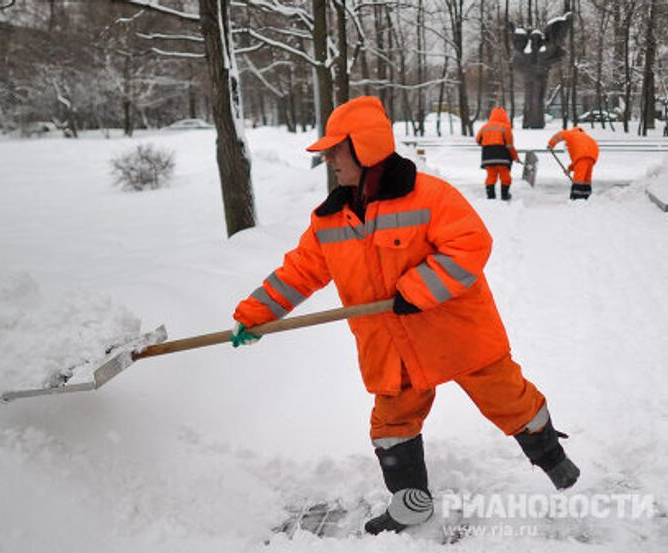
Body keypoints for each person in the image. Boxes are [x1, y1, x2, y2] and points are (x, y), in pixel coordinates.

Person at [230, 96, 580, 535]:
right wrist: (255, 314)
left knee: (508, 398)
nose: (329, 158)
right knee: (391, 423)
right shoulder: (330, 220)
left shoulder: (429, 197)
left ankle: (553, 460)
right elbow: (298, 272)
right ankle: (411, 503)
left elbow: (471, 244)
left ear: (365, 147)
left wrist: (417, 289)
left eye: (337, 149)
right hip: (392, 347)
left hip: (456, 333)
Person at [475, 107, 519, 200]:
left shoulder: (484, 127)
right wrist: (515, 157)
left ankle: (491, 196)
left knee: (491, 176)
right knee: (505, 177)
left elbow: (478, 141)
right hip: (502, 158)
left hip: (487, 157)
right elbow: (509, 146)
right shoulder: (506, 128)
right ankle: (505, 195)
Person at [547, 127, 599, 200]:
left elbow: (559, 135)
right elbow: (579, 161)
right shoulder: (586, 137)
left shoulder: (570, 133)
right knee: (586, 178)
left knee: (578, 178)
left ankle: (576, 197)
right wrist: (569, 169)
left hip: (582, 157)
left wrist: (551, 144)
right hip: (592, 157)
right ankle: (586, 196)